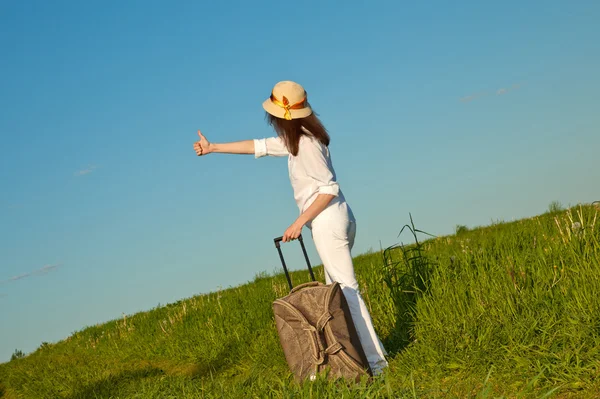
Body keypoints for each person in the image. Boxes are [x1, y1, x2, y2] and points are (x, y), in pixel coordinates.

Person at [193, 80, 388, 375]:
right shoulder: (298, 139)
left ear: (282, 115)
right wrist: (213, 148)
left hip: (328, 221)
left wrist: (298, 222)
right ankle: (354, 363)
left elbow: (329, 189)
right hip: (335, 220)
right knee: (336, 295)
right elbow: (258, 146)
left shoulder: (307, 144)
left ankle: (377, 365)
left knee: (347, 292)